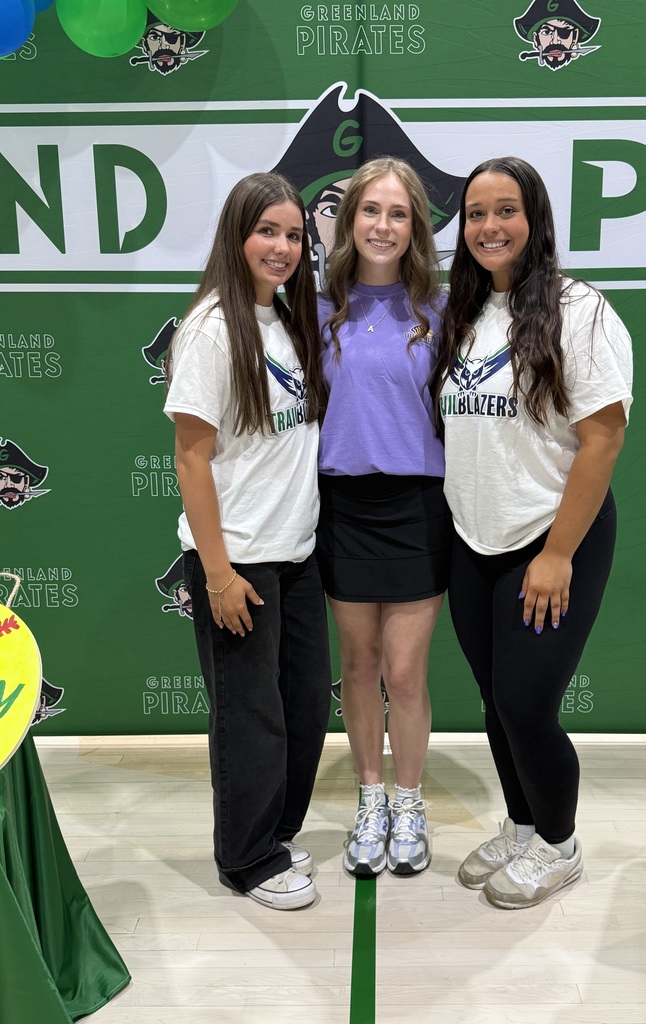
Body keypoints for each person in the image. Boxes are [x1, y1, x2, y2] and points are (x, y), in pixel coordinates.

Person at [431, 156, 633, 909]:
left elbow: (603, 440)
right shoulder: (465, 310)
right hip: (474, 539)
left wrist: (556, 554)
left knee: (525, 706)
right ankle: (521, 827)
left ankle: (560, 844)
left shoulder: (581, 311)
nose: (489, 226)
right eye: (476, 213)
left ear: (535, 219)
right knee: (493, 699)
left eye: (505, 210)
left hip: (550, 540)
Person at [163, 172, 331, 911]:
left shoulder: (290, 324)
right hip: (241, 560)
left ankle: (275, 832)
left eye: (294, 234)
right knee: (250, 716)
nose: (283, 246)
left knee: (299, 707)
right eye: (268, 231)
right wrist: (220, 572)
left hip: (296, 552)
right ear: (237, 236)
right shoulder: (209, 328)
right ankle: (246, 858)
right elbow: (191, 457)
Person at [316, 157, 451, 877]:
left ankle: (409, 800)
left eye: (398, 214)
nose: (383, 225)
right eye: (371, 210)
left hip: (416, 508)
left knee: (405, 672)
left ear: (415, 227)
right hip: (343, 509)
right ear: (348, 219)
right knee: (360, 667)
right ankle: (370, 797)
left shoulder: (443, 310)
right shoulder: (314, 308)